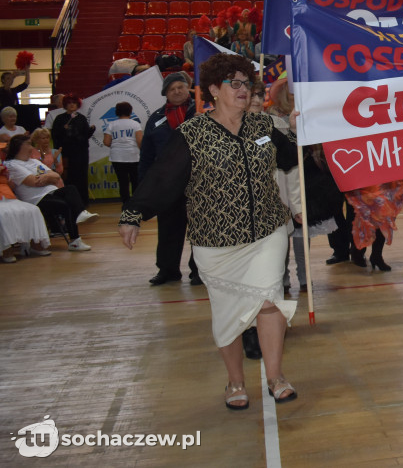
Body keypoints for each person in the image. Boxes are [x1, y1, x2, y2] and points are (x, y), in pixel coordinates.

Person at [119, 53, 300, 410]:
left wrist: (299, 133)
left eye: (246, 83)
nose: (243, 90)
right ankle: (235, 381)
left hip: (267, 230)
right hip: (215, 242)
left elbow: (290, 159)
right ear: (214, 90)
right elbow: (164, 177)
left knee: (268, 299)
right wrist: (134, 212)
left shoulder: (263, 127)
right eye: (233, 83)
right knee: (228, 312)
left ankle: (275, 376)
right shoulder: (192, 133)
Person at [139, 71, 198, 286]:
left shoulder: (200, 111)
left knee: (200, 230)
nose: (177, 91)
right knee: (168, 230)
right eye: (172, 89)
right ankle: (167, 270)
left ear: (188, 88)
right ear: (166, 94)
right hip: (167, 185)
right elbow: (146, 154)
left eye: (180, 87)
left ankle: (199, 271)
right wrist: (144, 185)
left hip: (198, 182)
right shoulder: (155, 118)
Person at [4, 134, 92, 251]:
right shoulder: (12, 165)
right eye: (29, 144)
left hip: (51, 191)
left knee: (71, 189)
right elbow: (33, 182)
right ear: (20, 146)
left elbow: (56, 176)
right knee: (67, 205)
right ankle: (75, 239)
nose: (32, 147)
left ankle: (80, 214)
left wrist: (45, 177)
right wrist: (47, 177)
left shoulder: (34, 161)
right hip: (36, 199)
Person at [51, 95, 95, 203]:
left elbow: (85, 136)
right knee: (68, 177)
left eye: (74, 102)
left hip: (81, 153)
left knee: (81, 176)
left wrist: (91, 131)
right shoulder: (59, 119)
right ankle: (69, 201)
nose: (72, 105)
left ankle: (83, 201)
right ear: (65, 105)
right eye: (69, 102)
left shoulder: (81, 118)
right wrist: (63, 129)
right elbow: (55, 136)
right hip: (66, 153)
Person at [103, 102, 143, 208]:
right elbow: (140, 141)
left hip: (117, 157)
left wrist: (117, 145)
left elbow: (106, 142)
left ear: (117, 112)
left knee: (123, 182)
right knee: (135, 180)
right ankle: (136, 204)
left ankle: (126, 204)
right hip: (133, 155)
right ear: (130, 111)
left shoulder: (111, 124)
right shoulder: (135, 124)